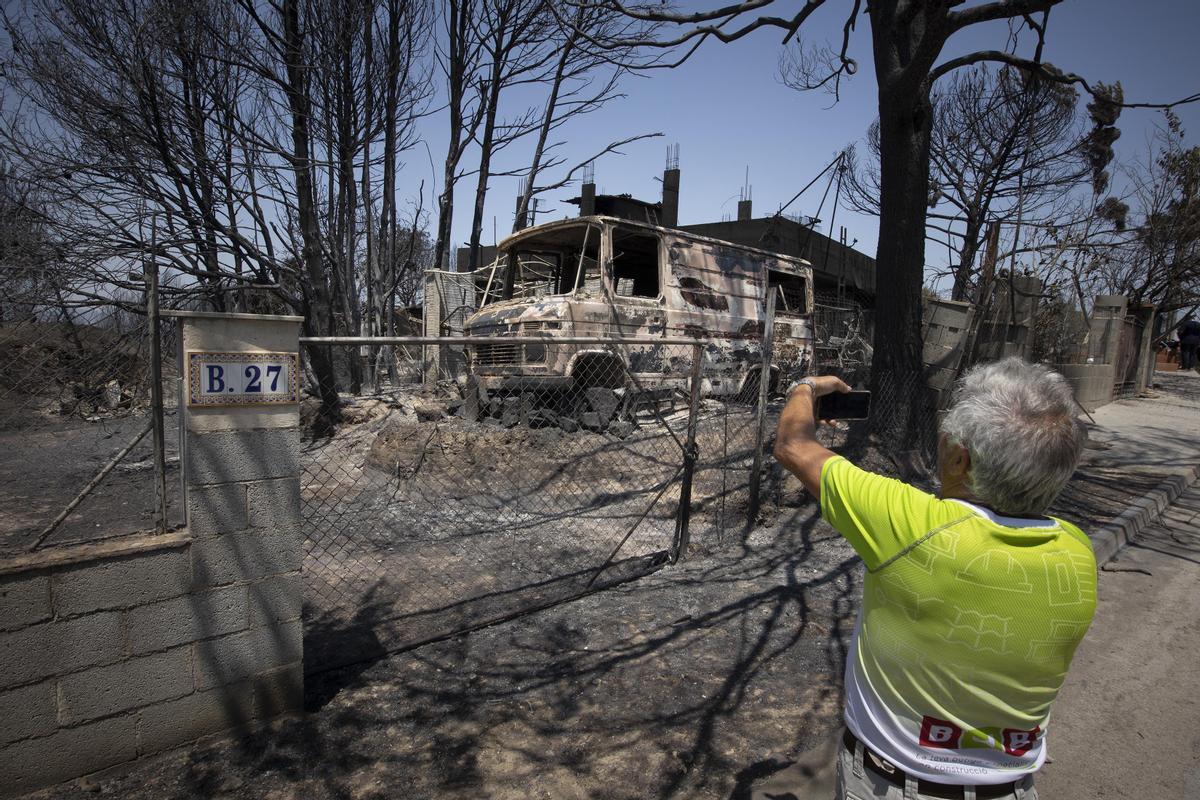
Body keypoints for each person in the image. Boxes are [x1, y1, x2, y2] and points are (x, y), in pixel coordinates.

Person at [774, 358, 1095, 800]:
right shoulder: (1077, 553)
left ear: (960, 459)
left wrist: (806, 386)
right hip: (1013, 788)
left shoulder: (913, 526)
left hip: (896, 784)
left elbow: (793, 444)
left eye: (947, 436)